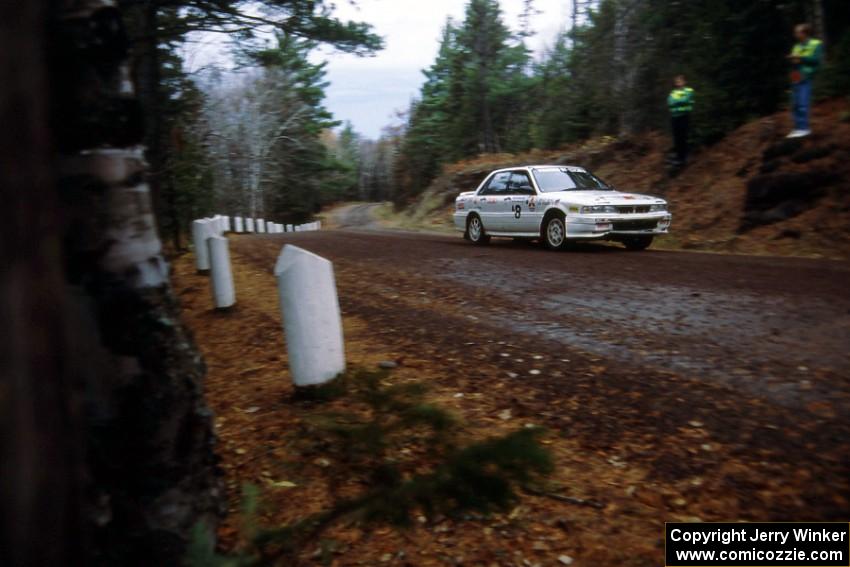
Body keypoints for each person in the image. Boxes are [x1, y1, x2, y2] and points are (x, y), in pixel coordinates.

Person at [787, 23, 823, 138]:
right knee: (795, 103)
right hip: (796, 75)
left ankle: (804, 128)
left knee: (803, 102)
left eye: (797, 32)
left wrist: (801, 58)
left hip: (807, 75)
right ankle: (798, 128)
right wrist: (793, 60)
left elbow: (816, 60)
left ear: (805, 33)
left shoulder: (816, 44)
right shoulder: (796, 46)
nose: (795, 34)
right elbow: (795, 62)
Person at [667, 75, 695, 167]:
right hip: (674, 117)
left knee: (683, 136)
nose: (678, 83)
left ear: (684, 82)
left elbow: (686, 99)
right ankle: (678, 157)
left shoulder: (689, 91)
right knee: (677, 137)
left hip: (685, 116)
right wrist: (680, 101)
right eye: (677, 82)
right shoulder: (673, 92)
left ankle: (684, 158)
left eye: (680, 81)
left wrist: (677, 101)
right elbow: (670, 102)